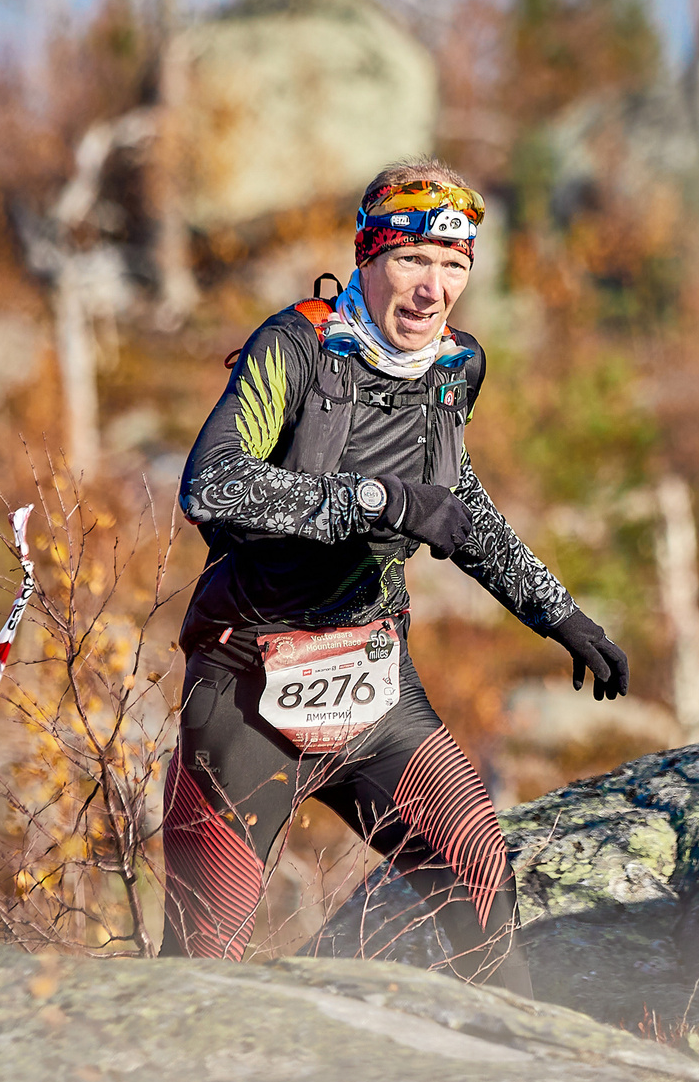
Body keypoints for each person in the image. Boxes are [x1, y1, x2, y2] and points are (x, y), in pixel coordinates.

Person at [162, 160, 628, 992]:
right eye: (414, 259)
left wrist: (558, 613)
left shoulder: (455, 370)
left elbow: (453, 503)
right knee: (202, 966)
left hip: (374, 683)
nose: (433, 288)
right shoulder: (295, 349)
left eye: (455, 265)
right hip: (246, 688)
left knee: (483, 875)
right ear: (368, 257)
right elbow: (213, 483)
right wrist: (376, 499)